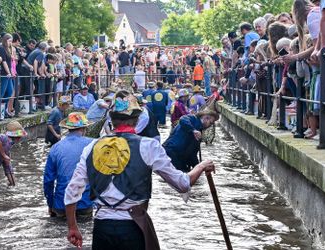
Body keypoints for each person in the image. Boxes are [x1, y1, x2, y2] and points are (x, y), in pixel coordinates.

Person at [64, 90, 216, 250]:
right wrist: (201, 165)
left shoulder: (91, 147)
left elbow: (71, 192)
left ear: (112, 120)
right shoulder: (149, 146)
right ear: (137, 120)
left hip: (102, 227)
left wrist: (73, 227)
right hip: (133, 226)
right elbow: (183, 184)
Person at [44, 112, 93, 218]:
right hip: (85, 203)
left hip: (61, 203)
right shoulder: (93, 144)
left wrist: (50, 204)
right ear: (84, 128)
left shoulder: (55, 148)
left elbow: (48, 181)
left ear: (68, 129)